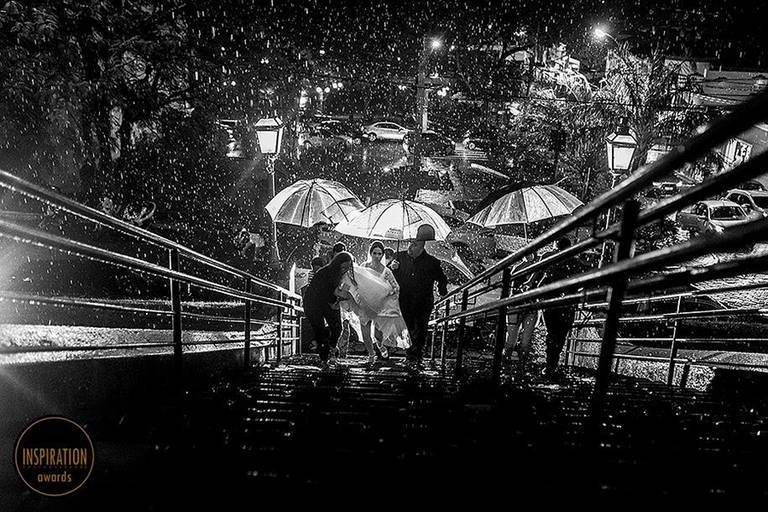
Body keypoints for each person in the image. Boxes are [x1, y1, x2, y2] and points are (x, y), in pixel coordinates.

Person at [390, 224, 448, 369]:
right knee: (407, 328)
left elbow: (442, 278)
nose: (410, 246)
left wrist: (442, 290)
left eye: (414, 244)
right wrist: (393, 269)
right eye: (410, 243)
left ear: (422, 246)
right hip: (405, 301)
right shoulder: (400, 258)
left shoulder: (432, 262)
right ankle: (410, 354)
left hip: (423, 302)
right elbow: (390, 278)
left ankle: (418, 354)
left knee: (421, 328)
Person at [342, 241, 410, 365]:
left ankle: (380, 345)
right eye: (374, 253)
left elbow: (396, 287)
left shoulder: (387, 271)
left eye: (379, 253)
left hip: (380, 307)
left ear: (383, 255)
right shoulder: (363, 267)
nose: (377, 256)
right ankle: (371, 354)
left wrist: (388, 295)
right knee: (366, 332)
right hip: (365, 305)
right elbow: (356, 282)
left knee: (378, 334)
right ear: (370, 253)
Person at [539, 237, 587, 379]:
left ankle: (550, 365)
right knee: (560, 335)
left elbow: (543, 283)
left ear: (557, 247)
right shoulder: (576, 263)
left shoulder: (553, 262)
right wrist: (578, 292)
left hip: (551, 303)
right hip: (568, 304)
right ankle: (553, 364)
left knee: (552, 333)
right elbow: (587, 279)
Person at [303, 251, 354, 367]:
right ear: (338, 264)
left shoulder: (342, 274)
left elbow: (340, 291)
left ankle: (331, 349)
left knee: (337, 327)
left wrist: (340, 300)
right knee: (320, 331)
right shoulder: (327, 272)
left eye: (348, 267)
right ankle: (324, 359)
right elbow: (336, 291)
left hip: (329, 302)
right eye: (344, 267)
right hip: (313, 303)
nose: (346, 269)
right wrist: (352, 296)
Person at [503, 251, 544, 372]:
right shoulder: (518, 268)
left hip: (529, 305)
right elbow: (512, 284)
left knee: (525, 338)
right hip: (519, 305)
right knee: (512, 337)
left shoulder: (538, 267)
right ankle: (508, 362)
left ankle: (519, 364)